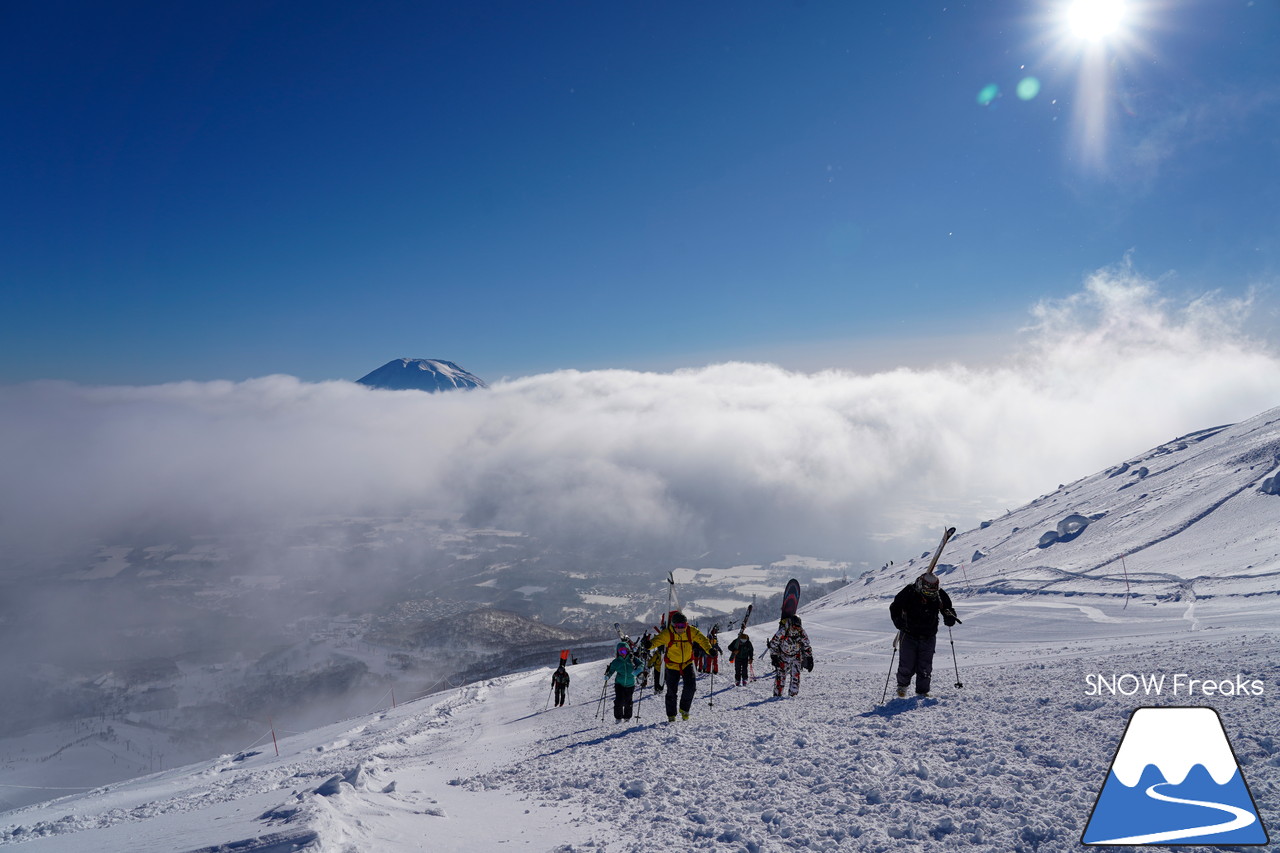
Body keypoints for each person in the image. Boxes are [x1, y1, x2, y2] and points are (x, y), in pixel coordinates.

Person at [889, 571, 959, 698]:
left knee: (925, 666)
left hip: (929, 635)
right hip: (909, 633)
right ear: (921, 586)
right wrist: (898, 621)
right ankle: (902, 687)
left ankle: (922, 691)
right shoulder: (910, 591)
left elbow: (947, 608)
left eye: (933, 591)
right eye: (928, 591)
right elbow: (895, 607)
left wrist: (949, 617)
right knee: (907, 664)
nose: (930, 594)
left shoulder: (939, 594)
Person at [650, 611, 712, 721]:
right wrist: (649, 645)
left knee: (691, 687)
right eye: (679, 626)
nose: (682, 628)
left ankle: (684, 709)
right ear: (673, 626)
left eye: (684, 625)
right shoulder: (668, 633)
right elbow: (657, 640)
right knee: (672, 691)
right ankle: (671, 715)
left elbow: (702, 639)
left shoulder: (690, 631)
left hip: (687, 663)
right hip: (672, 665)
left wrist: (709, 649)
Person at [766, 615, 813, 698]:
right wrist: (774, 657)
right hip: (783, 655)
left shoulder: (801, 632)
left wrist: (809, 658)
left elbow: (807, 645)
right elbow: (773, 644)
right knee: (781, 676)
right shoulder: (783, 631)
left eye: (798, 627)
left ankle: (793, 696)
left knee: (796, 676)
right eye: (794, 626)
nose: (796, 628)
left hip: (796, 655)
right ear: (790, 624)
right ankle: (777, 695)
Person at [604, 642, 643, 722]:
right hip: (619, 684)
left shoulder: (632, 659)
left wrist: (638, 670)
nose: (623, 653)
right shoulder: (616, 662)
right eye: (620, 651)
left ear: (628, 651)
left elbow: (641, 664)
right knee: (619, 701)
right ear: (618, 652)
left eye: (624, 651)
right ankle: (618, 718)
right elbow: (611, 670)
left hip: (630, 684)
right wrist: (608, 676)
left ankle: (627, 717)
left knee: (628, 701)